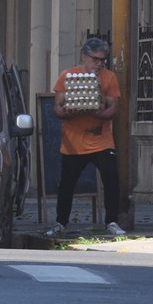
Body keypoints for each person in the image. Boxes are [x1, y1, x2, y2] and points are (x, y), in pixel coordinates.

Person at [46, 37, 125, 237]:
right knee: (67, 183)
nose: (99, 64)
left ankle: (112, 220)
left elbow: (113, 108)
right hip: (73, 141)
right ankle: (61, 222)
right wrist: (73, 112)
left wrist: (95, 113)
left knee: (111, 179)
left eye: (102, 60)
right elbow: (57, 108)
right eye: (95, 59)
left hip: (101, 139)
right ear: (84, 57)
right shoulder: (68, 76)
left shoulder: (109, 78)